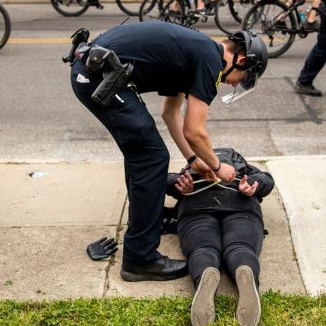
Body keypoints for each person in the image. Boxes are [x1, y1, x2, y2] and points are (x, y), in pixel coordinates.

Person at [68, 24, 267, 281]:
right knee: (151, 157)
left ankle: (144, 229)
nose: (234, 84)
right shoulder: (210, 61)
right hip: (97, 77)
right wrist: (217, 166)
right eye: (243, 78)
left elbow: (171, 114)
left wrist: (194, 161)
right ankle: (140, 258)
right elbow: (195, 131)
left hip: (96, 73)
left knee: (145, 155)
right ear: (241, 60)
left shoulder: (197, 53)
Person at [164, 148, 273, 326]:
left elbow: (162, 180)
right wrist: (252, 185)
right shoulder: (244, 169)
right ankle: (245, 270)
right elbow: (268, 181)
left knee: (203, 248)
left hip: (196, 206)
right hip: (241, 205)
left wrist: (181, 185)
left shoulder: (191, 169)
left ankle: (205, 273)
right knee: (240, 247)